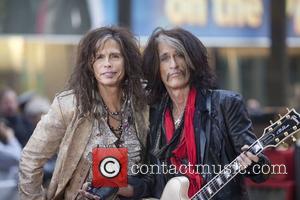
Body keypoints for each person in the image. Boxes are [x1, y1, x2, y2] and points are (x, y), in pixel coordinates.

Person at [19, 26, 149, 200]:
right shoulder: (69, 105)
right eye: (99, 57)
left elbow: (150, 172)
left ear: (127, 62)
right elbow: (30, 159)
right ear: (90, 64)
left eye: (115, 56)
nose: (107, 63)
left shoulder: (141, 104)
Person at [142, 27, 270, 199]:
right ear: (156, 68)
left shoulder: (225, 104)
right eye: (164, 58)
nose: (173, 64)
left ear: (192, 60)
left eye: (179, 55)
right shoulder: (154, 116)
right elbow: (151, 180)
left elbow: (261, 171)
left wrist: (254, 163)